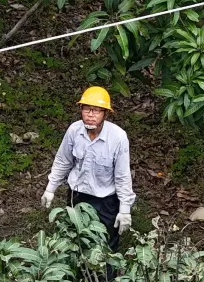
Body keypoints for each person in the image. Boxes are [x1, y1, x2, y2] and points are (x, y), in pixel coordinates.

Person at [42, 86, 135, 265]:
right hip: (77, 196)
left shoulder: (118, 138)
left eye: (97, 110)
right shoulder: (74, 131)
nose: (91, 114)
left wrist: (124, 210)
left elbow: (122, 176)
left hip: (105, 201)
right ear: (81, 110)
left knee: (106, 249)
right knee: (75, 243)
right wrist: (50, 188)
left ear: (106, 113)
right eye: (86, 109)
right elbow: (63, 160)